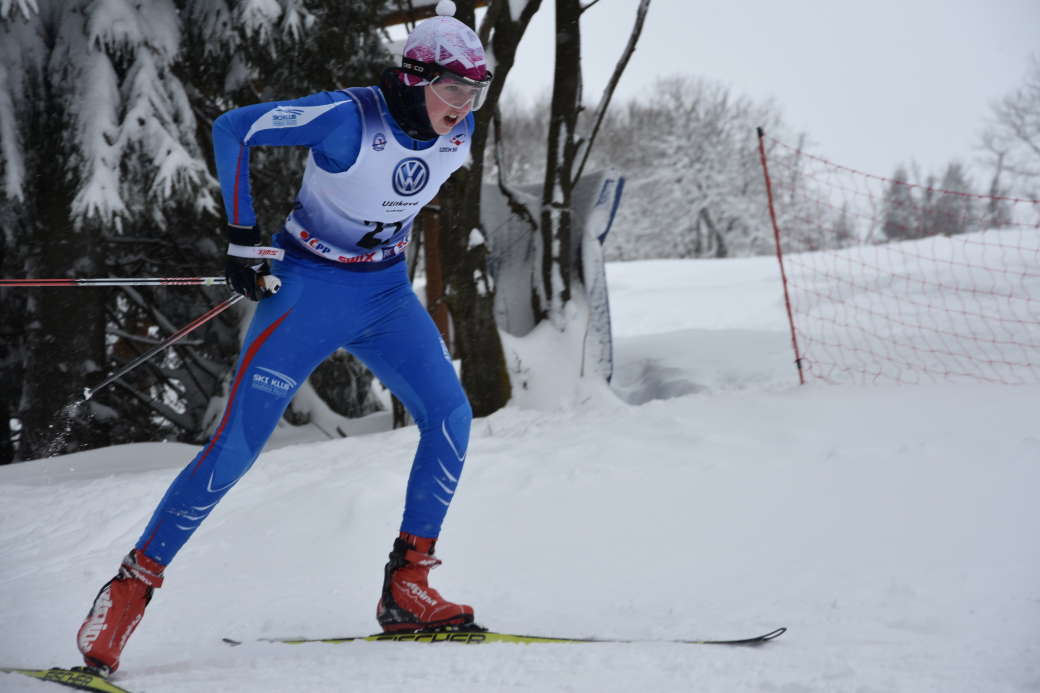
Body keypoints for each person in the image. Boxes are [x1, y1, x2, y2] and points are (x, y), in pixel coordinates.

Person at [74, 1, 493, 676]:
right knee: (236, 448)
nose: (464, 104)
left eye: (475, 90)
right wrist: (242, 235)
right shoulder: (349, 116)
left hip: (384, 293)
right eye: (452, 87)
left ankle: (407, 586)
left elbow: (395, 198)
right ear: (414, 78)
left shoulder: (459, 131)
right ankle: (128, 589)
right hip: (307, 291)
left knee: (450, 415)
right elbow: (235, 129)